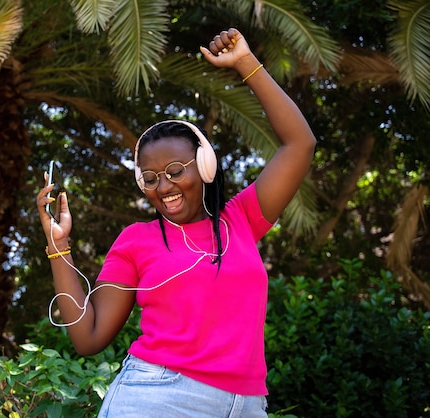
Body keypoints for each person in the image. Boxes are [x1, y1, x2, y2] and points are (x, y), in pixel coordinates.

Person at [36, 27, 316, 418]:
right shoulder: (137, 241)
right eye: (150, 178)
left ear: (204, 166)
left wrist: (245, 63)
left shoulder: (241, 220)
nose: (162, 185)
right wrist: (58, 246)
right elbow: (88, 337)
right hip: (157, 397)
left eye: (174, 170)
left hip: (248, 405)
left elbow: (299, 144)